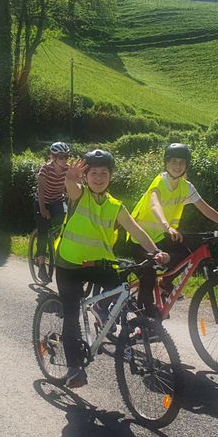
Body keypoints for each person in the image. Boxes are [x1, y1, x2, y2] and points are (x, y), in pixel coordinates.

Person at [55, 149, 169, 389]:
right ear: (86, 177)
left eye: (103, 173)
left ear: (110, 176)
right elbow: (71, 188)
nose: (98, 177)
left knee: (123, 294)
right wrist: (69, 178)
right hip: (70, 264)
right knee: (72, 314)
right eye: (93, 173)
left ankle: (108, 319)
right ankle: (74, 368)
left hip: (100, 263)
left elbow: (137, 230)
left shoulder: (115, 205)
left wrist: (155, 250)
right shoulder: (79, 195)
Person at [127, 142, 218, 317]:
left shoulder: (186, 186)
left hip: (160, 236)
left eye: (181, 162)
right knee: (148, 276)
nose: (177, 165)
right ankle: (145, 319)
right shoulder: (159, 182)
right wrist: (167, 226)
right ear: (166, 163)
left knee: (188, 256)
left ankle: (166, 281)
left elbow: (206, 209)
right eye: (173, 161)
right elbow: (154, 205)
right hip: (140, 237)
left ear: (186, 165)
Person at [34, 141, 71, 281]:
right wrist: (43, 209)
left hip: (57, 200)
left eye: (66, 157)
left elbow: (69, 187)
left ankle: (59, 254)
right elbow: (41, 190)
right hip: (42, 201)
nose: (64, 160)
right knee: (43, 232)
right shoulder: (45, 169)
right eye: (61, 157)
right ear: (53, 157)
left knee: (63, 228)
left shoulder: (67, 169)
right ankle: (42, 266)